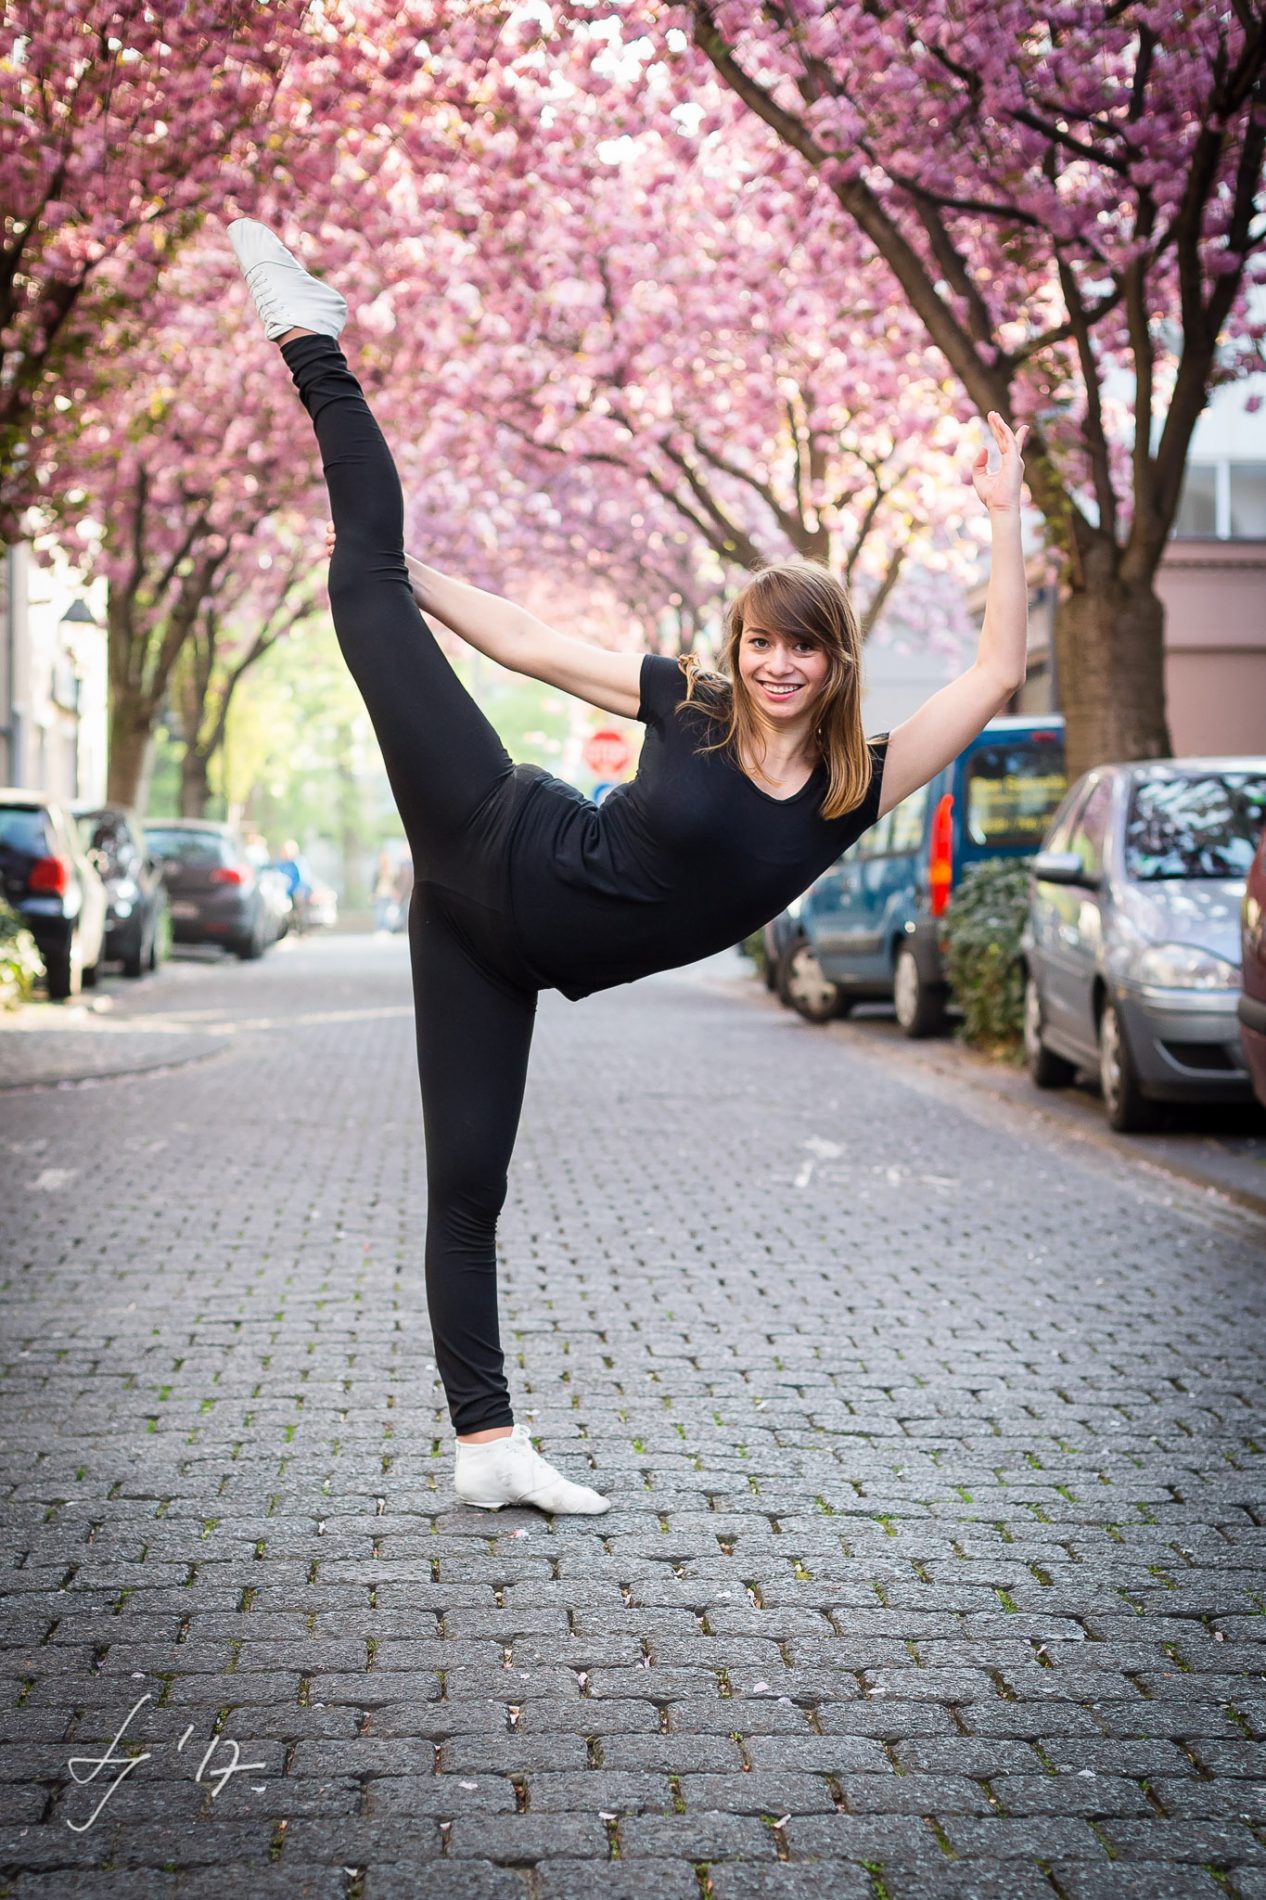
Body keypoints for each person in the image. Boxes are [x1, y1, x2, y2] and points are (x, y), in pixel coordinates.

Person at [228, 218, 1029, 1514]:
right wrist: (400, 580)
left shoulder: (850, 787)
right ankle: (307, 333)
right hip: (488, 833)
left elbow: (994, 672)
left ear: (833, 665)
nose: (776, 665)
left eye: (802, 650)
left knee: (465, 1187)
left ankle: (485, 1453)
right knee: (363, 581)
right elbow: (538, 643)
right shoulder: (691, 701)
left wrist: (1000, 518)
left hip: (495, 947)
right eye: (762, 641)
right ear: (741, 644)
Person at [372, 847, 399, 934]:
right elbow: (374, 882)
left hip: (389, 893)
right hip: (380, 893)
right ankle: (380, 929)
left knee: (388, 913)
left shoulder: (392, 870)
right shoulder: (378, 870)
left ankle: (387, 929)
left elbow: (395, 882)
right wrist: (372, 894)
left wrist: (395, 892)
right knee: (380, 912)